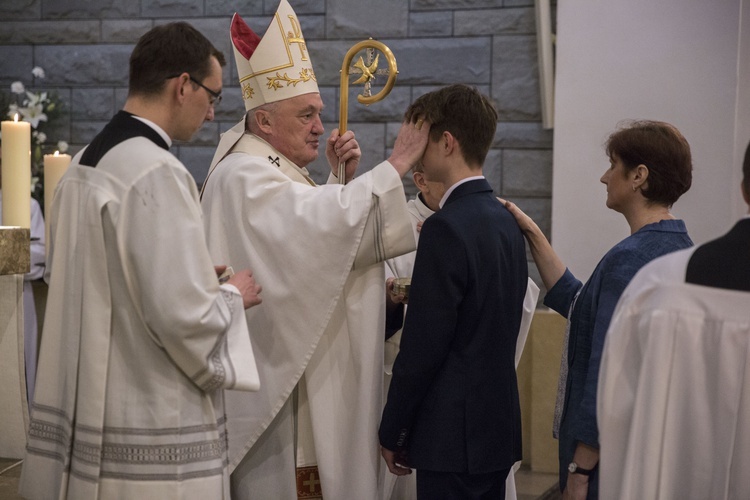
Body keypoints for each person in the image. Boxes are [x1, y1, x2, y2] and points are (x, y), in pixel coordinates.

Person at [19, 22, 263, 500]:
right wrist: (231, 297)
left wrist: (192, 275)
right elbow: (183, 318)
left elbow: (111, 280)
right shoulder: (157, 171)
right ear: (182, 86)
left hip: (91, 398)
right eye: (212, 96)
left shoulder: (86, 162)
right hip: (144, 418)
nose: (212, 114)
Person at [200, 3, 428, 499]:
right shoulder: (243, 174)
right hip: (277, 403)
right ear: (263, 119)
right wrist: (392, 168)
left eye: (320, 114)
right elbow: (303, 236)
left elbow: (302, 233)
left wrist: (337, 181)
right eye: (305, 115)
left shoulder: (266, 165)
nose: (319, 127)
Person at [502, 120, 694, 499]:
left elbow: (607, 373)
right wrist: (533, 233)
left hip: (608, 465)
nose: (604, 177)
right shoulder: (679, 247)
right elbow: (580, 303)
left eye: (613, 164)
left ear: (639, 175)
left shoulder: (629, 259)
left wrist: (579, 470)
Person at [378, 84, 529, 499]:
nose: (417, 156)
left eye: (423, 143)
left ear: (446, 143)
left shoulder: (445, 227)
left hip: (452, 436)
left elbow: (425, 345)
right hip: (495, 430)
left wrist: (394, 429)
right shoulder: (504, 220)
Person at [597, 141, 750, 499]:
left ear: (743, 189)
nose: (603, 177)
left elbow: (616, 409)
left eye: (611, 165)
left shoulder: (662, 285)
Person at [0, 162, 45, 407]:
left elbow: (40, 254)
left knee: (17, 380)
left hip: (16, 299)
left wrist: (6, 256)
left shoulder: (27, 206)